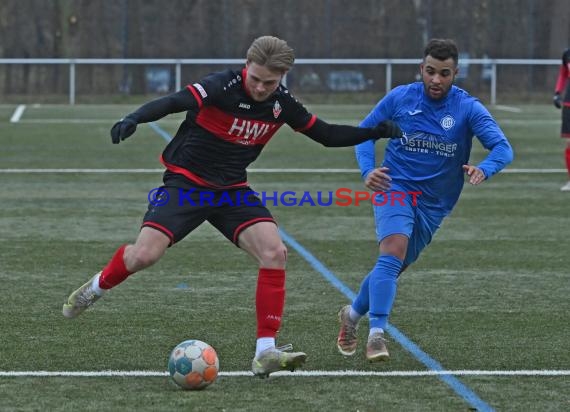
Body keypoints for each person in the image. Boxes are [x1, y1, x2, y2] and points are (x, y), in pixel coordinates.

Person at [61, 35, 402, 377]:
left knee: (275, 253)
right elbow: (174, 101)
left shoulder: (281, 103)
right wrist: (135, 117)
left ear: (282, 77)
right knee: (143, 256)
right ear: (246, 66)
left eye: (270, 82)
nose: (260, 87)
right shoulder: (221, 86)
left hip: (232, 191)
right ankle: (96, 287)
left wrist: (373, 131)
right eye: (255, 78)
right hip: (187, 184)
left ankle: (265, 351)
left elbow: (326, 134)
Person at [336, 38, 514, 362]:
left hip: (435, 203)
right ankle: (377, 335)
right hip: (396, 186)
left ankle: (351, 315)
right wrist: (367, 171)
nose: (436, 80)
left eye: (444, 74)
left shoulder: (467, 108)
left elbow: (503, 148)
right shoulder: (401, 97)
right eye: (430, 71)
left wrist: (484, 169)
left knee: (391, 266)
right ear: (421, 68)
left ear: (455, 73)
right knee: (393, 249)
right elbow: (364, 133)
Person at [552, 48, 570, 191]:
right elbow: (563, 74)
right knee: (569, 143)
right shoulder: (567, 54)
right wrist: (558, 92)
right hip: (569, 104)